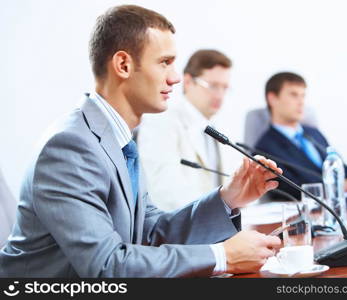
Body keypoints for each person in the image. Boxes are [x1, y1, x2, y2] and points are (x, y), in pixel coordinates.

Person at [0, 5, 282, 278]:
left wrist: (227, 197)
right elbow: (107, 266)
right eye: (164, 63)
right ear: (123, 65)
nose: (174, 78)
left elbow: (150, 232)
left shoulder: (117, 140)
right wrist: (223, 257)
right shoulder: (70, 147)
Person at [138, 49, 231, 211]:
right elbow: (165, 192)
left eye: (225, 88)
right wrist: (215, 218)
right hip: (181, 229)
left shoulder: (219, 129)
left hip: (218, 226)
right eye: (213, 86)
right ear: (188, 82)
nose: (220, 95)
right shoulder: (160, 120)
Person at [254, 72, 347, 200]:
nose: (301, 102)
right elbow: (298, 189)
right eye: (294, 95)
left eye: (303, 96)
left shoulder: (313, 133)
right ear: (272, 98)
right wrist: (342, 186)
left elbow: (341, 169)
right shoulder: (264, 148)